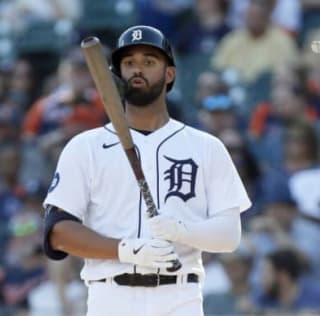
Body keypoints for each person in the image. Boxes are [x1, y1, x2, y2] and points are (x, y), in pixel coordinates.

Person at [43, 25, 251, 316]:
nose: (137, 69)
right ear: (117, 75)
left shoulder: (206, 147)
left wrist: (182, 230)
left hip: (180, 296)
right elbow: (57, 233)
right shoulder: (85, 146)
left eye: (149, 62)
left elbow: (229, 236)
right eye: (129, 63)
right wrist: (125, 249)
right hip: (110, 296)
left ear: (170, 74)